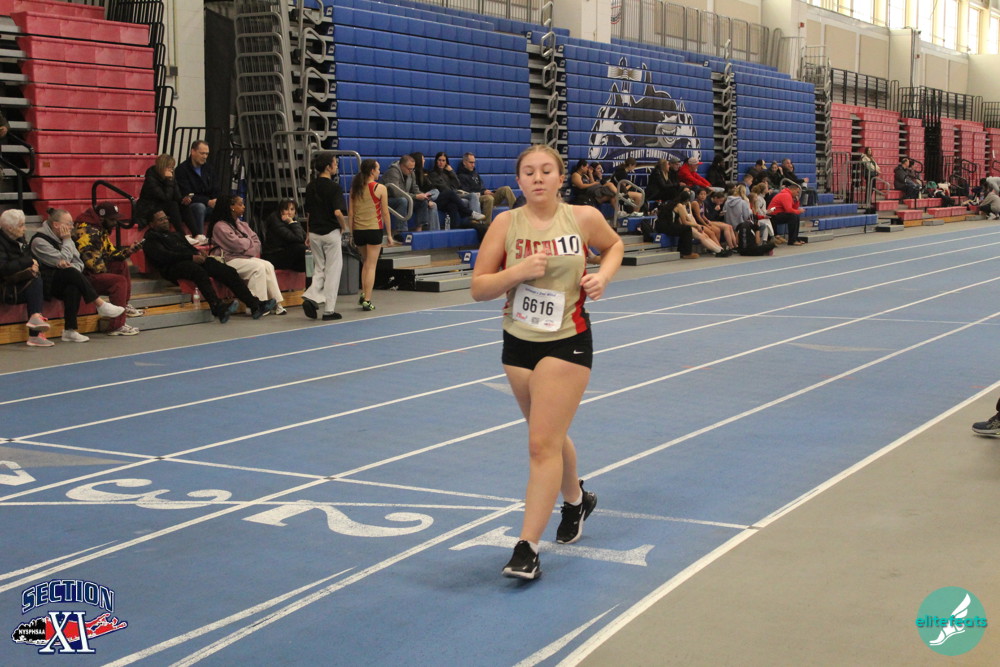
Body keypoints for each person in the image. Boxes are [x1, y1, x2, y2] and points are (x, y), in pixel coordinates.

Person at [471, 145, 623, 580]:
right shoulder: (505, 223)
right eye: (528, 172)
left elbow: (614, 245)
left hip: (567, 339)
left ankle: (527, 547)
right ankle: (577, 500)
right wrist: (517, 272)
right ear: (519, 180)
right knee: (549, 435)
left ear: (560, 178)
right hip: (518, 343)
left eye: (546, 171)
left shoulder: (582, 218)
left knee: (540, 444)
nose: (537, 178)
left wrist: (602, 276)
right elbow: (479, 288)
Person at [143, 210, 269, 322]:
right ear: (151, 224)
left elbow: (189, 248)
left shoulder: (176, 234)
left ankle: (254, 304)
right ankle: (217, 306)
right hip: (171, 267)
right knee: (198, 271)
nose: (165, 221)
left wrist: (199, 253)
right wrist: (191, 257)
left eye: (165, 218)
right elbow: (164, 256)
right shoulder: (150, 239)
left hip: (190, 259)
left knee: (226, 270)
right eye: (160, 220)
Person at [30, 208, 126, 342]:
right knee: (70, 273)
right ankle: (99, 304)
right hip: (45, 283)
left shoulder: (66, 238)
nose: (72, 227)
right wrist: (67, 240)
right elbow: (62, 259)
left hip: (65, 278)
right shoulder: (39, 241)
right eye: (68, 223)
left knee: (73, 284)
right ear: (56, 225)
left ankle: (70, 330)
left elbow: (79, 263)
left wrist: (70, 265)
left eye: (72, 223)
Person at [74, 201, 146, 334]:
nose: (115, 223)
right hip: (82, 277)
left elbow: (110, 253)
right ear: (102, 218)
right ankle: (116, 326)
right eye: (112, 220)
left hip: (92, 271)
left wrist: (128, 251)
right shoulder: (88, 232)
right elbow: (94, 265)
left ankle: (123, 305)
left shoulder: (99, 228)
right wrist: (108, 266)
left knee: (121, 264)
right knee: (119, 281)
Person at [209, 195, 282, 315]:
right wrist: (249, 242)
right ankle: (256, 306)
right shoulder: (220, 226)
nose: (243, 207)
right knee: (258, 268)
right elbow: (236, 245)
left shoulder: (242, 224)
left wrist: (246, 246)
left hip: (245, 257)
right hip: (229, 260)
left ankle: (277, 303)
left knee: (268, 265)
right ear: (231, 207)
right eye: (240, 204)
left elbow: (257, 243)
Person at [301, 152, 348, 321]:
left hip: (314, 232)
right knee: (333, 270)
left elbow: (309, 213)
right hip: (330, 232)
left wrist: (308, 233)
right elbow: (337, 212)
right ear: (328, 167)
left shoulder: (310, 186)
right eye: (335, 163)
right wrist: (344, 226)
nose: (336, 166)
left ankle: (312, 296)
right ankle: (328, 309)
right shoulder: (334, 188)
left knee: (319, 268)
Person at [0, 208, 52, 346]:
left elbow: (32, 258)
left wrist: (34, 264)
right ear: (9, 228)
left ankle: (35, 320)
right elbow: (3, 269)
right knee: (35, 280)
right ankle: (35, 331)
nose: (25, 229)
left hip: (20, 282)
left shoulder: (20, 239)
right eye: (21, 225)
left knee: (41, 278)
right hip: (6, 287)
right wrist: (29, 262)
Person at [349, 158, 394, 312]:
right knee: (371, 265)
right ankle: (367, 299)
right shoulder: (380, 188)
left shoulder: (355, 188)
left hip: (359, 231)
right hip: (373, 229)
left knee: (365, 263)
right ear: (372, 171)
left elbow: (351, 213)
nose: (379, 172)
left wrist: (351, 233)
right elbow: (385, 213)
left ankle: (363, 293)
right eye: (378, 169)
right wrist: (389, 234)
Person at [136, 154, 202, 242]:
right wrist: (169, 181)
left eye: (172, 167)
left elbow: (177, 196)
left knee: (183, 205)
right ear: (162, 167)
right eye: (169, 167)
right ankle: (182, 236)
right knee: (173, 205)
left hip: (163, 205)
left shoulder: (171, 177)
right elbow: (165, 197)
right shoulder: (151, 177)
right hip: (149, 208)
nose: (171, 170)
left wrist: (183, 200)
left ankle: (196, 234)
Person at [382, 154, 439, 234]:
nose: (411, 171)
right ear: (402, 166)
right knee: (403, 201)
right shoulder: (392, 172)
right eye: (409, 169)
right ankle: (402, 231)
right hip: (388, 200)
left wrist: (423, 196)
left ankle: (419, 230)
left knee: (422, 201)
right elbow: (396, 193)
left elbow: (415, 188)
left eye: (413, 169)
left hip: (405, 198)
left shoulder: (411, 172)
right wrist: (415, 196)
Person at [424, 152, 483, 227]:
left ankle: (470, 225)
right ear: (436, 161)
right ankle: (469, 213)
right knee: (450, 193)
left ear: (446, 162)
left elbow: (458, 184)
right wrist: (453, 189)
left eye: (443, 160)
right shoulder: (433, 174)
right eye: (439, 160)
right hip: (441, 198)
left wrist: (451, 171)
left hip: (452, 196)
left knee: (467, 198)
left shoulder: (447, 173)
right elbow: (444, 188)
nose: (441, 163)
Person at [175, 140, 220, 235]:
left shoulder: (209, 169)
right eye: (202, 153)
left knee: (227, 206)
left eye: (207, 154)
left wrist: (216, 200)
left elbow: (215, 188)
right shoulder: (181, 170)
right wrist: (207, 201)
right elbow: (186, 194)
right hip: (191, 205)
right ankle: (199, 236)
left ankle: (221, 238)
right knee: (200, 207)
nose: (205, 156)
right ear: (193, 151)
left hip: (209, 204)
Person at [456, 152, 517, 223]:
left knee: (506, 189)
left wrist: (486, 191)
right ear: (464, 163)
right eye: (471, 162)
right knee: (489, 198)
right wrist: (483, 192)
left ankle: (517, 215)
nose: (473, 165)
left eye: (474, 162)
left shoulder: (475, 173)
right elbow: (467, 193)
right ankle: (486, 225)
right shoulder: (461, 176)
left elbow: (481, 187)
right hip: (476, 199)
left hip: (483, 195)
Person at [261, 199, 307, 272]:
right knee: (302, 249)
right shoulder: (275, 220)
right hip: (274, 254)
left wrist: (292, 222)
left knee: (309, 256)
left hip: (286, 252)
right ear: (281, 211)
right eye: (286, 209)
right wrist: (292, 222)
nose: (289, 212)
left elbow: (304, 237)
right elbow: (298, 238)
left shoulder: (292, 220)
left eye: (292, 209)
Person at [654, 191, 699, 259]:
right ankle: (686, 253)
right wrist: (697, 225)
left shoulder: (671, 203)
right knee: (687, 229)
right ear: (687, 200)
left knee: (682, 229)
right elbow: (685, 222)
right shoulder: (680, 206)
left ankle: (681, 251)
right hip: (667, 227)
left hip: (660, 226)